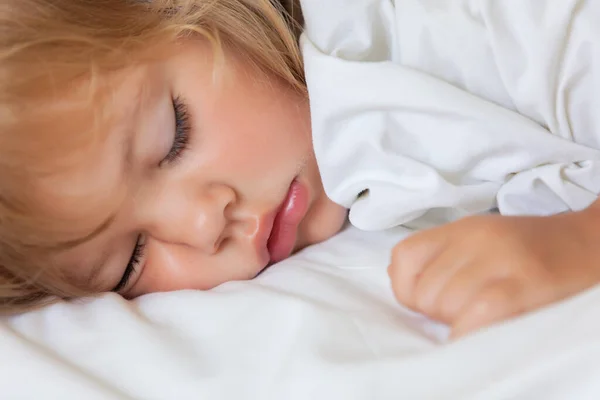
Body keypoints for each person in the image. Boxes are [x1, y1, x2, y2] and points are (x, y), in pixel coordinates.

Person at [0, 0, 598, 339]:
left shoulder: (425, 23)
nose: (204, 222)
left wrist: (579, 243)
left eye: (174, 135)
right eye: (130, 258)